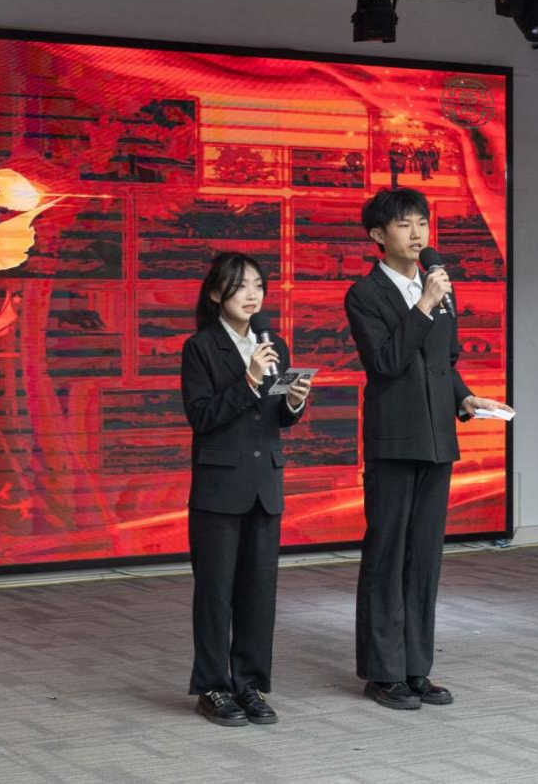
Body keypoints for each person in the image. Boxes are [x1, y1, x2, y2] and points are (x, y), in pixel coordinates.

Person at [345, 187, 512, 710]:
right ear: (378, 235)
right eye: (404, 224)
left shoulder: (437, 285)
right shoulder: (365, 294)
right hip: (395, 441)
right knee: (387, 555)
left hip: (439, 438)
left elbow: (445, 361)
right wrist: (422, 305)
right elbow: (387, 362)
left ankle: (416, 667)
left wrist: (465, 397)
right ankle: (383, 672)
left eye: (422, 222)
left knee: (424, 560)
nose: (417, 233)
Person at [180, 252, 312, 726]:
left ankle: (250, 684)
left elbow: (276, 418)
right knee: (216, 592)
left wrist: (293, 402)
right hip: (219, 487)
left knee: (259, 592)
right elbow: (201, 417)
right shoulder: (200, 347)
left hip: (265, 484)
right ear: (217, 293)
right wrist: (250, 380)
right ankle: (214, 687)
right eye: (240, 286)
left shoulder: (274, 343)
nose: (252, 295)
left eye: (258, 285)